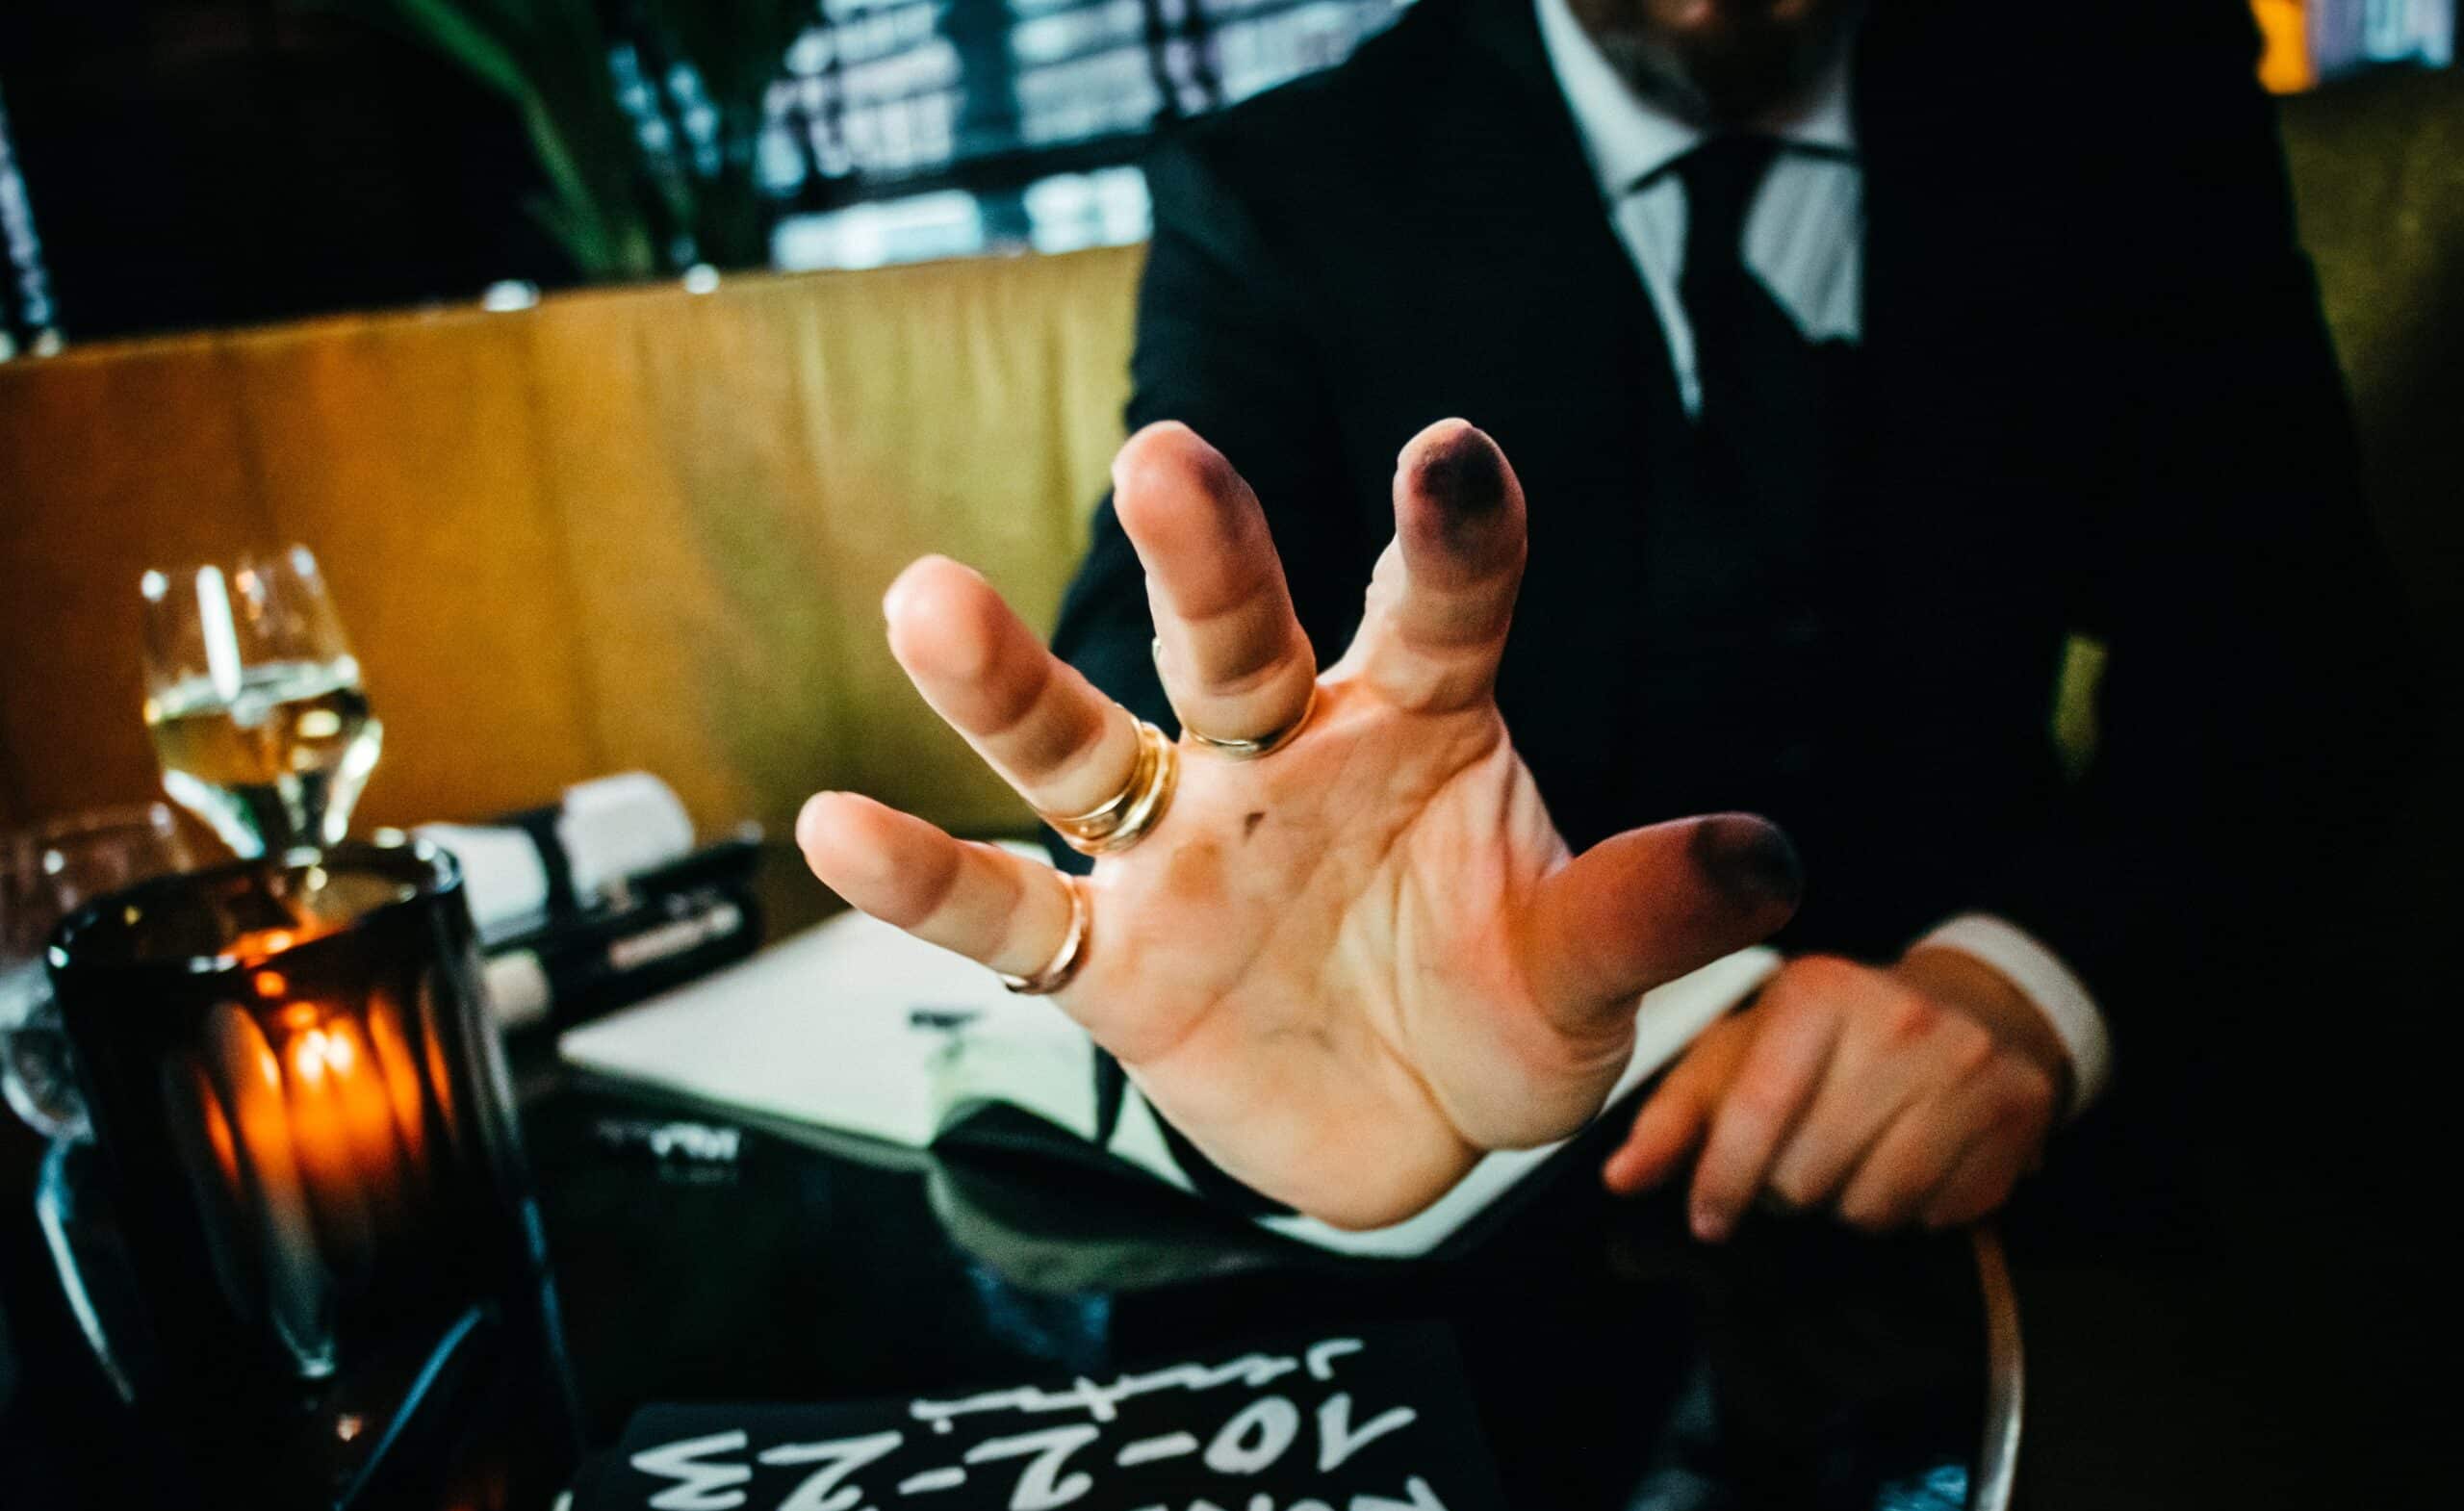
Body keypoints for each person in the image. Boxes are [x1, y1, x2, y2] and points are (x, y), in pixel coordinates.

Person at [799, 0, 2416, 1242]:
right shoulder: (1280, 187)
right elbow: (1161, 659)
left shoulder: (2123, 96)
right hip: (1489, 1192)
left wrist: (2034, 983)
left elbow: (2291, 655)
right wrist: (1244, 910)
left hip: (2041, 1142)